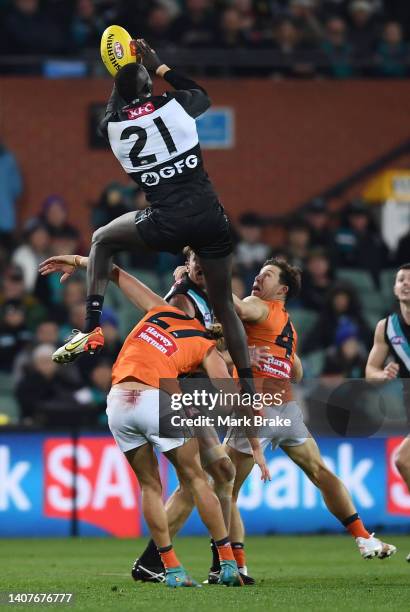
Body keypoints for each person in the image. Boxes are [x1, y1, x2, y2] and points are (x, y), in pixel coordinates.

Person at [39, 253, 270, 587]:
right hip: (157, 399)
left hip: (118, 401)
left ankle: (170, 568)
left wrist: (78, 261)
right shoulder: (204, 344)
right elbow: (229, 392)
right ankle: (228, 563)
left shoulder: (159, 309)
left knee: (150, 485)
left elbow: (115, 271)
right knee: (195, 479)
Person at [52, 39, 255, 398]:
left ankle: (91, 327)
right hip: (208, 216)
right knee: (224, 304)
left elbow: (111, 114)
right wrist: (159, 65)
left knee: (102, 239)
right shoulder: (175, 104)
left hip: (166, 221)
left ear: (118, 91)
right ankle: (250, 388)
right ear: (150, 87)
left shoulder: (111, 128)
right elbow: (201, 94)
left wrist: (119, 75)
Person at [225, 258, 396, 570]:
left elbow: (235, 306)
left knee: (225, 490)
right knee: (320, 471)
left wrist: (209, 275)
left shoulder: (258, 305)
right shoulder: (288, 326)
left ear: (283, 289)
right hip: (286, 410)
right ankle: (363, 536)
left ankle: (235, 566)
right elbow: (298, 371)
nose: (257, 279)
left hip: (257, 409)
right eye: (259, 274)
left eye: (267, 276)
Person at [365, 263, 410, 560]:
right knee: (404, 461)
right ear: (394, 288)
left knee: (402, 458)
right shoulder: (387, 327)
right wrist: (384, 375)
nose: (406, 283)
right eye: (401, 279)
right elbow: (370, 370)